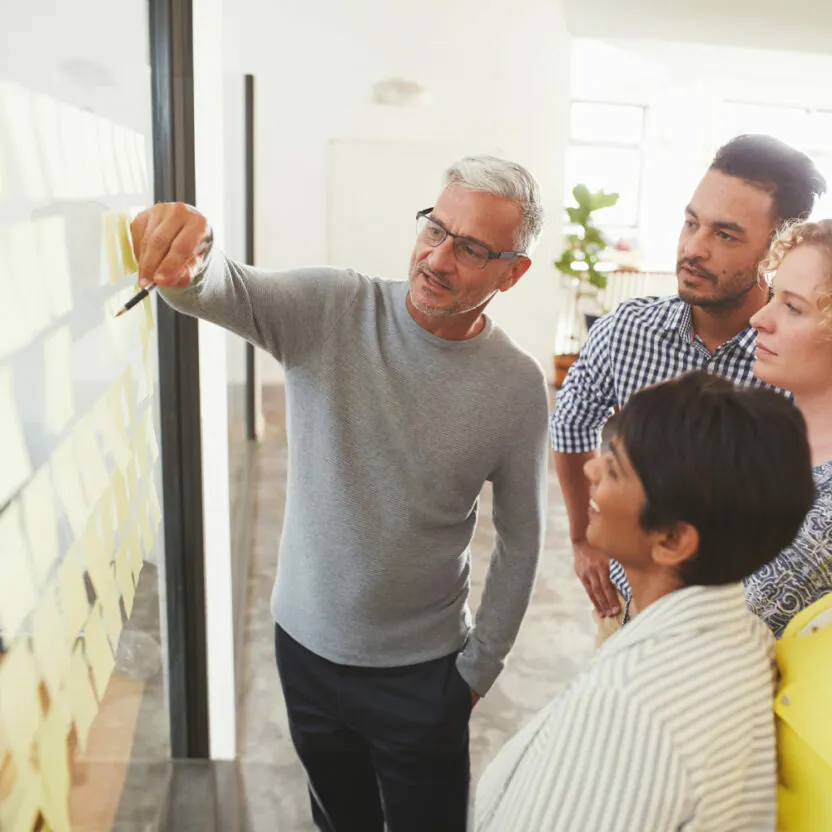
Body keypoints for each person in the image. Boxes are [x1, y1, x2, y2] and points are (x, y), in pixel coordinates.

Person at [130, 157, 550, 832]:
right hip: (306, 653)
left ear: (512, 272)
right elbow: (219, 287)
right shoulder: (332, 309)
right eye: (435, 228)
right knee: (338, 822)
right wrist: (189, 250)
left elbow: (525, 539)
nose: (438, 258)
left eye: (471, 248)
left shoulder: (516, 386)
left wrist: (478, 671)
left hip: (426, 674)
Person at [474, 371, 816, 832]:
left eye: (613, 468)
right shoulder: (739, 634)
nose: (590, 469)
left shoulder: (632, 707)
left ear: (673, 540)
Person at [550, 134, 827, 643]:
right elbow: (569, 425)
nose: (693, 248)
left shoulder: (799, 371)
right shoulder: (627, 331)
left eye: (725, 235)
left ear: (775, 248)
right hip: (627, 604)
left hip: (738, 636)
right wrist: (580, 538)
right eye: (691, 222)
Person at [745, 219, 832, 635]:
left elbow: (726, 626)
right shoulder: (769, 435)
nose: (759, 319)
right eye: (772, 297)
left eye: (792, 307)